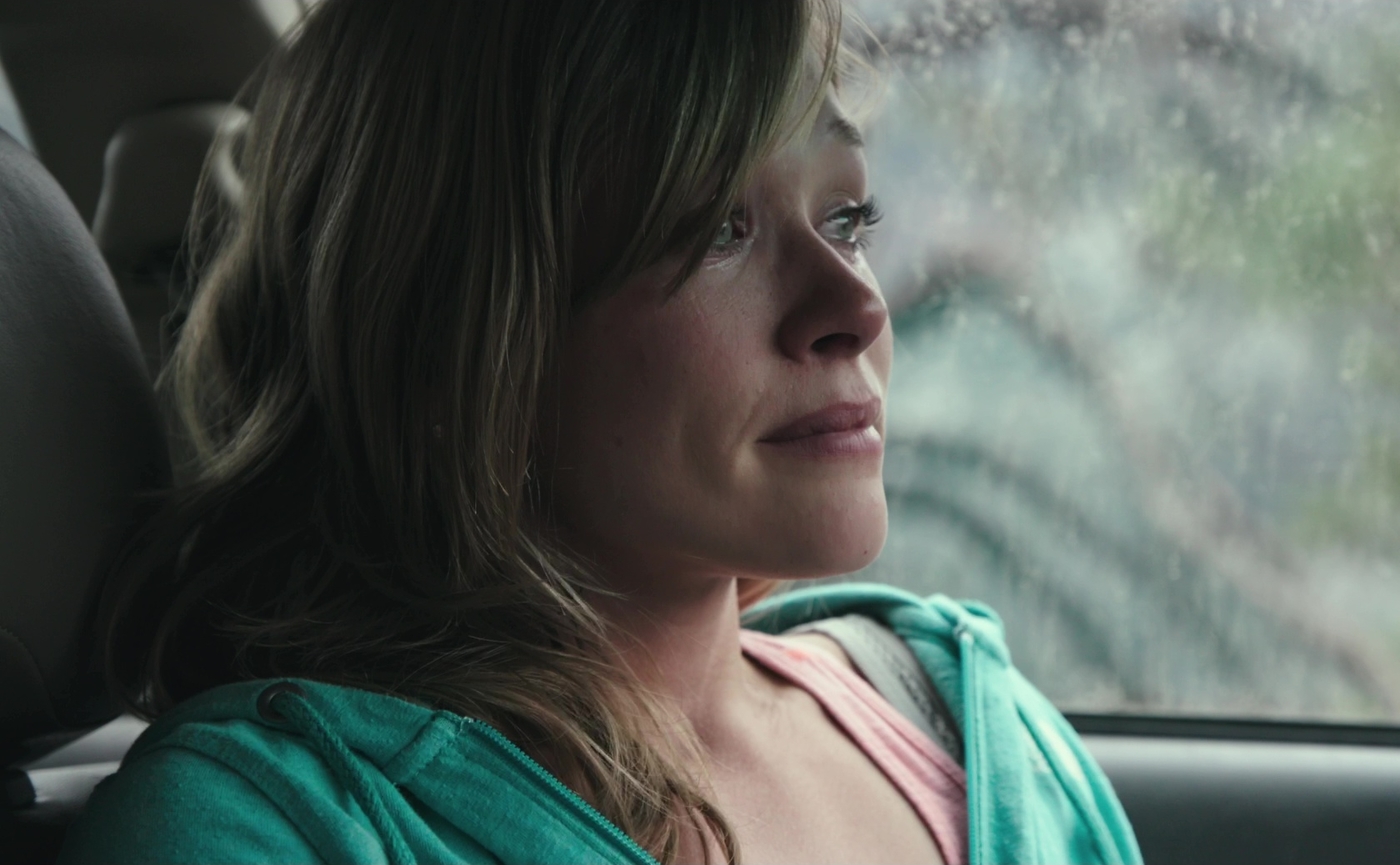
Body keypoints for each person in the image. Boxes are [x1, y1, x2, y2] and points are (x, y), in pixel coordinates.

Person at [61, 1, 1141, 863]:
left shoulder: (975, 729)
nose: (853, 306)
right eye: (717, 228)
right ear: (465, 333)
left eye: (847, 216)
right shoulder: (274, 828)